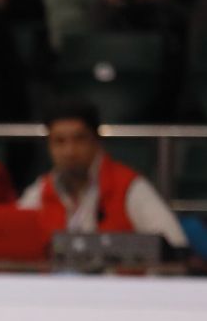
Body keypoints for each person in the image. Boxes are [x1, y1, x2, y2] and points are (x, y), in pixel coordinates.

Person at [17, 99, 188, 247]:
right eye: (59, 142)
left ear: (96, 141)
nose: (69, 151)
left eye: (79, 139)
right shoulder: (39, 191)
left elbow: (175, 244)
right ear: (49, 146)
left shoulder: (129, 187)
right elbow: (11, 241)